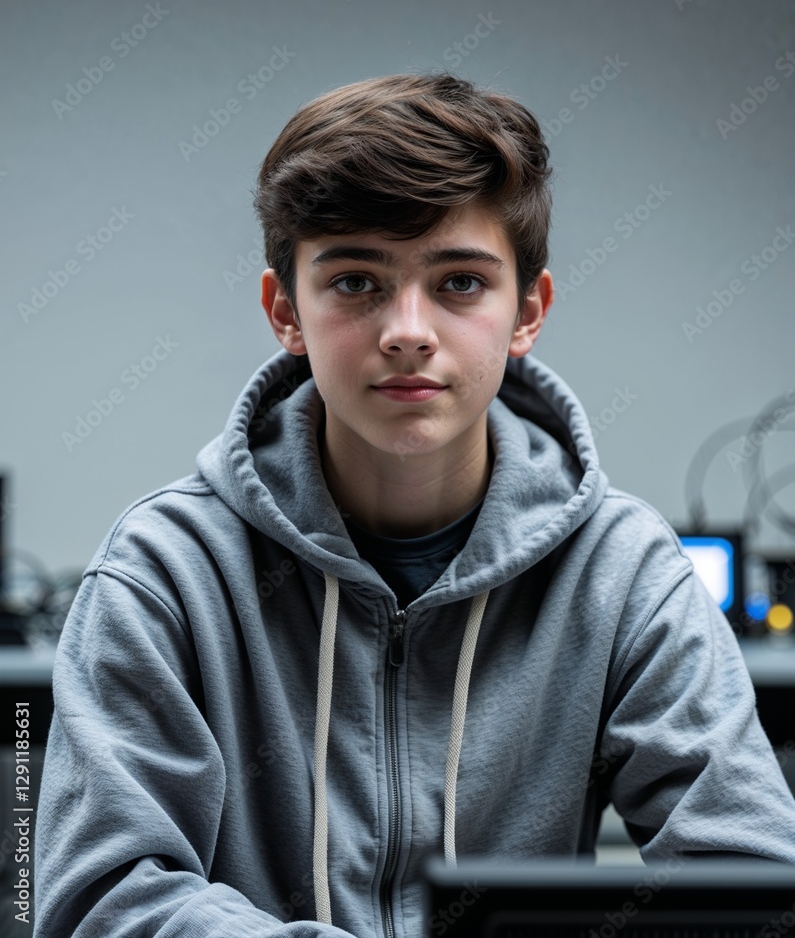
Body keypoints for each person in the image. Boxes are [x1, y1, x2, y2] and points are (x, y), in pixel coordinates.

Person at [33, 72, 795, 937]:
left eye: (459, 282)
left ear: (527, 312)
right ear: (285, 310)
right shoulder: (165, 570)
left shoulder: (623, 573)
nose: (406, 330)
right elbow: (100, 899)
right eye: (355, 281)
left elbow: (750, 882)